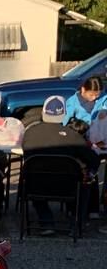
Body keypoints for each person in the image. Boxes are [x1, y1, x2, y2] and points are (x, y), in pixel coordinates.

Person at [21, 95, 102, 235]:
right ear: (63, 114)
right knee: (86, 181)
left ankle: (46, 222)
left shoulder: (29, 133)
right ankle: (76, 223)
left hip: (35, 187)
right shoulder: (73, 136)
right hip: (68, 187)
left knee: (34, 175)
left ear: (43, 112)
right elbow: (94, 160)